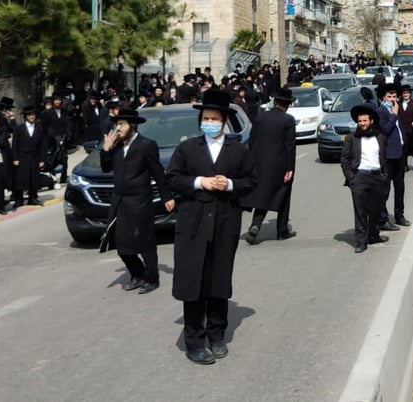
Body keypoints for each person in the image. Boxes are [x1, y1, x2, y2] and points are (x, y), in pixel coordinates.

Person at [165, 89, 256, 365]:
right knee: (193, 281)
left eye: (215, 118)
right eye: (206, 118)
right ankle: (194, 340)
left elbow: (251, 181)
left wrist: (228, 184)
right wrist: (200, 182)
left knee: (218, 281)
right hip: (192, 223)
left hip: (225, 222)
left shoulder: (238, 150)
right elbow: (173, 179)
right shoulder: (187, 149)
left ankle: (217, 335)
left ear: (224, 121)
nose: (210, 122)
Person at [101, 108, 173, 294]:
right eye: (117, 124)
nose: (118, 128)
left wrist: (167, 197)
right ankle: (137, 273)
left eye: (122, 124)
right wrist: (106, 149)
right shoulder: (116, 146)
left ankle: (152, 277)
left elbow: (158, 173)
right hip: (120, 200)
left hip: (140, 200)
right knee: (121, 242)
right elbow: (105, 167)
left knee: (144, 240)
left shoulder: (146, 145)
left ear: (132, 125)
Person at [242, 88, 297, 245]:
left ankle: (256, 224)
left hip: (259, 161)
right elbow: (290, 146)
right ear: (287, 104)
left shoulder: (261, 116)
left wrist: (252, 160)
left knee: (263, 194)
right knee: (283, 195)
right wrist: (290, 168)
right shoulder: (288, 120)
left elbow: (252, 140)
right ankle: (282, 230)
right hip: (280, 163)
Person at [340, 104, 391, 254]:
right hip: (359, 178)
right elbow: (344, 159)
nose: (362, 123)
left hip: (376, 177)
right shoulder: (351, 138)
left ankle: (374, 235)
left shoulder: (380, 137)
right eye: (360, 121)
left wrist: (384, 175)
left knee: (375, 210)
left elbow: (384, 158)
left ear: (371, 121)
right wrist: (351, 177)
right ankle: (361, 241)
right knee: (361, 211)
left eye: (364, 121)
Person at [375, 84, 407, 229]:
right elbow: (385, 130)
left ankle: (399, 215)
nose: (393, 99)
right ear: (383, 97)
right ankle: (382, 219)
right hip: (388, 156)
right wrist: (394, 115)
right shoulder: (381, 112)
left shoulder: (397, 109)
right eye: (389, 97)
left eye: (394, 97)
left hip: (399, 153)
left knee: (400, 187)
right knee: (384, 189)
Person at [10, 106, 49, 207]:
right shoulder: (19, 129)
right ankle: (19, 199)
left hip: (34, 156)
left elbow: (42, 145)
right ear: (25, 116)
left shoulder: (39, 129)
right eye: (29, 115)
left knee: (33, 178)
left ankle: (33, 198)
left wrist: (42, 159)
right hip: (22, 157)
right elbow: (14, 145)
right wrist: (15, 158)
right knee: (21, 179)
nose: (32, 117)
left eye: (33, 115)